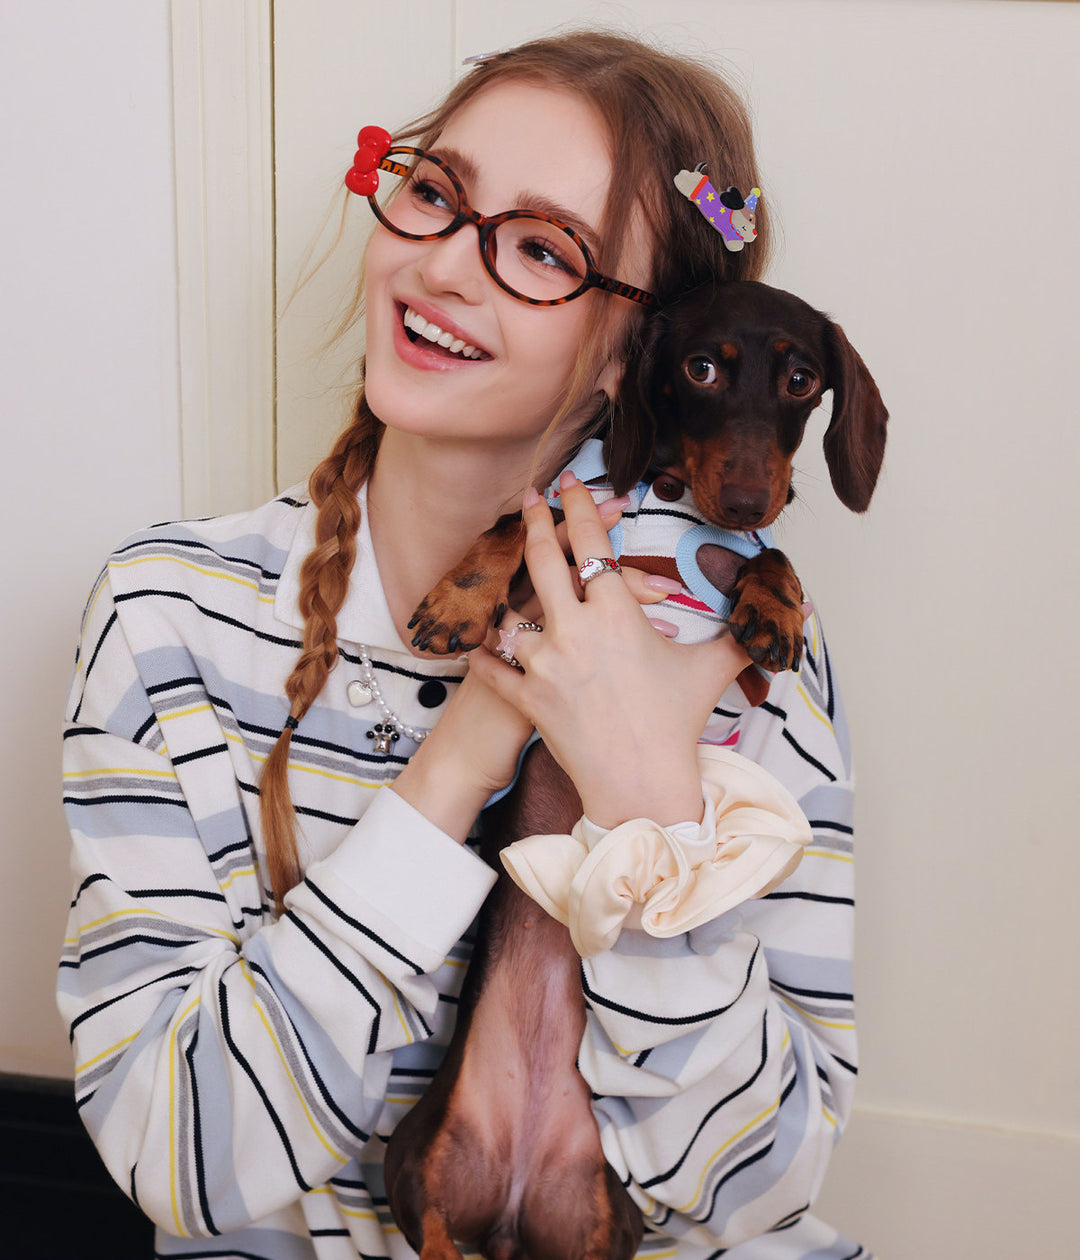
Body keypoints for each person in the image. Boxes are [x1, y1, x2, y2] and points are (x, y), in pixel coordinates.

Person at [59, 30, 869, 1260]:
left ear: (639, 350)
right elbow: (182, 1158)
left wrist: (649, 795)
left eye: (544, 249)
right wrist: (485, 725)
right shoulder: (170, 616)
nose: (444, 265)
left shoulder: (750, 660)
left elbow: (759, 1194)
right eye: (435, 192)